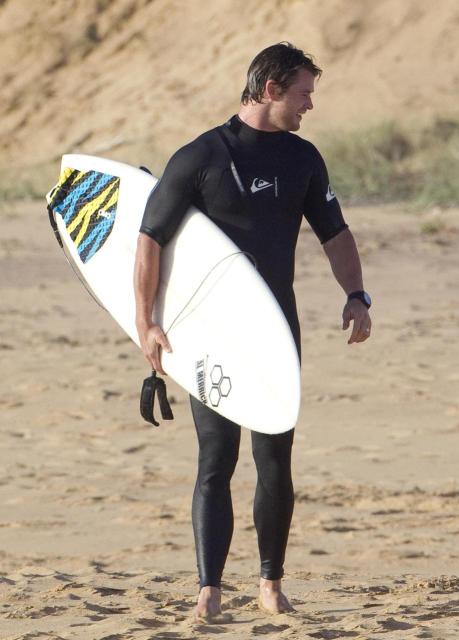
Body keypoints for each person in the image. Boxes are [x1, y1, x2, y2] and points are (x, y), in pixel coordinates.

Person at [133, 42, 372, 621]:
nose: (310, 104)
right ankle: (208, 590)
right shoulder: (200, 157)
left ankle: (270, 582)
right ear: (270, 90)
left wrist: (356, 294)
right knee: (215, 458)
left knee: (275, 459)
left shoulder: (303, 159)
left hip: (275, 328)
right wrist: (147, 323)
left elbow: (334, 233)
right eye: (303, 93)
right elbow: (149, 238)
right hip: (209, 332)